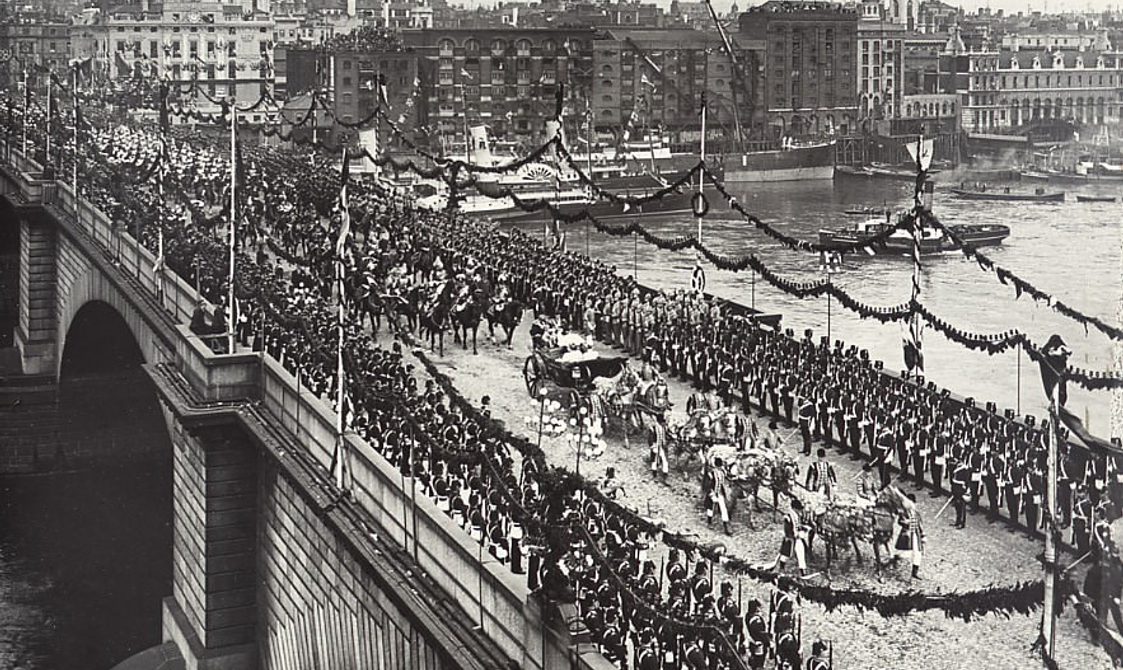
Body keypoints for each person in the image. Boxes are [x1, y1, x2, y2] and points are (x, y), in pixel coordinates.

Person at [649, 410, 670, 484]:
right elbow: (650, 438)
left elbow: (665, 436)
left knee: (665, 460)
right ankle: (654, 476)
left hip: (661, 446)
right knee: (654, 461)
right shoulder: (653, 428)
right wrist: (653, 446)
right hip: (656, 446)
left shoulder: (663, 428)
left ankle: (665, 477)